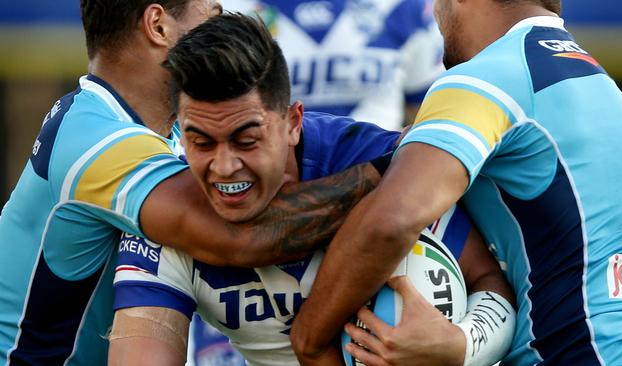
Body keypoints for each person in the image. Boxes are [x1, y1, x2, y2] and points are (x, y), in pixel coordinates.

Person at [107, 13, 516, 366]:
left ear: (292, 122)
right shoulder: (167, 211)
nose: (224, 166)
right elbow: (142, 347)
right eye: (201, 142)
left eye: (247, 140)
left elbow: (487, 280)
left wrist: (459, 346)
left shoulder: (376, 161)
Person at [0, 1, 391, 364]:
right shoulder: (95, 141)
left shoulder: (158, 137)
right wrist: (393, 174)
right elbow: (241, 237)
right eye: (212, 9)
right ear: (158, 25)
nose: (222, 19)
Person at [290, 0, 622, 364]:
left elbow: (391, 221)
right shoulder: (606, 93)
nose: (434, 13)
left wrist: (308, 339)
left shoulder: (488, 76)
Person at [218, 0, 445, 130]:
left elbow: (427, 115)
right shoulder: (225, 8)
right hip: (269, 188)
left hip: (380, 183)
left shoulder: (403, 6)